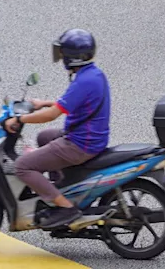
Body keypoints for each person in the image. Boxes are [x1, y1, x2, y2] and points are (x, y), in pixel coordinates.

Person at [9, 29, 110, 230]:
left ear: (73, 57)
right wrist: (42, 103)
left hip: (80, 144)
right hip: (90, 138)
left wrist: (20, 119)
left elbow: (52, 115)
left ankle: (66, 208)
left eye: (63, 53)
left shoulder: (83, 81)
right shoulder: (93, 74)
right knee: (44, 136)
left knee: (22, 166)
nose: (61, 56)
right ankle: (63, 188)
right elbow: (70, 103)